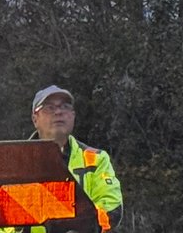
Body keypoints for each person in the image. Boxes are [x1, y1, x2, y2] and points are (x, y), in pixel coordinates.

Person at [28, 85, 124, 232]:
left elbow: (112, 207)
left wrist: (81, 228)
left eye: (64, 107)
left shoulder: (96, 160)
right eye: (49, 108)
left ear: (73, 115)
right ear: (35, 119)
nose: (58, 112)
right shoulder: (15, 162)